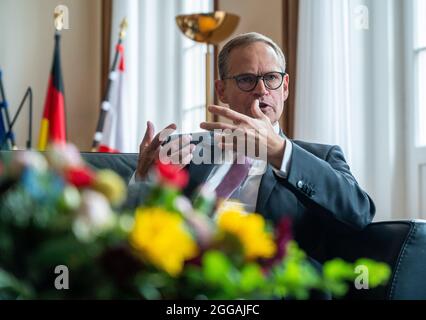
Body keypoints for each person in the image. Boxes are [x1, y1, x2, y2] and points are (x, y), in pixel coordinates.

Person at [131, 32, 375, 265]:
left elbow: (359, 213)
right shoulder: (185, 151)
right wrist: (145, 179)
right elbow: (134, 228)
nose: (261, 89)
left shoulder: (319, 157)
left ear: (285, 87)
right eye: (246, 79)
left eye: (271, 78)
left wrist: (280, 152)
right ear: (221, 90)